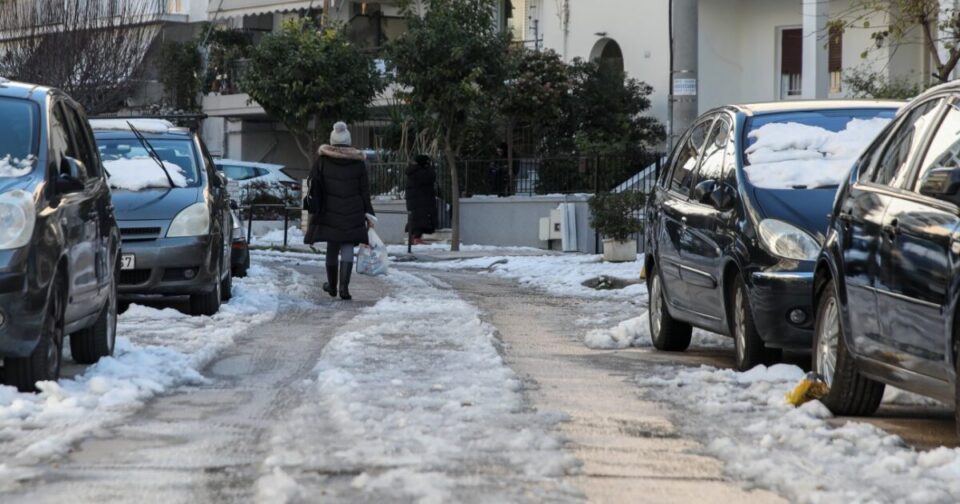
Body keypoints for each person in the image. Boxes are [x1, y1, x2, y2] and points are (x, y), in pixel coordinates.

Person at [303, 122, 375, 301]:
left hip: (329, 211)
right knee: (348, 245)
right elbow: (364, 191)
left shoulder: (322, 161)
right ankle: (344, 288)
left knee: (332, 247)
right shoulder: (358, 163)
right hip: (353, 211)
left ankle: (332, 286)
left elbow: (312, 184)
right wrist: (369, 214)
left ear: (332, 140)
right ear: (348, 141)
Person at [405, 154, 437, 245]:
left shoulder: (413, 171)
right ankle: (416, 238)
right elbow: (431, 177)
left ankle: (414, 238)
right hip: (420, 200)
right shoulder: (421, 172)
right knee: (420, 220)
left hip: (415, 200)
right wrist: (431, 167)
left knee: (416, 219)